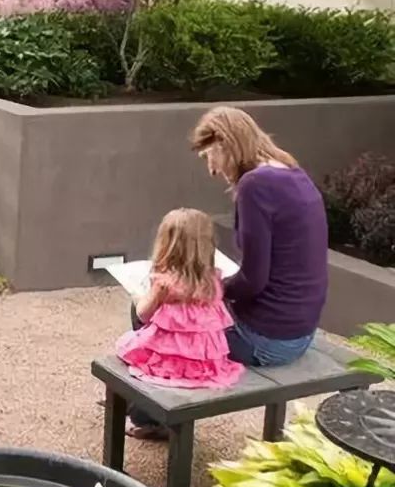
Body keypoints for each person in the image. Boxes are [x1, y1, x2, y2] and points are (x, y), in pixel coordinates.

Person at [127, 106, 329, 440]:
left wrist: (200, 287)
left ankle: (150, 416)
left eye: (210, 155)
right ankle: (148, 409)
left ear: (225, 143)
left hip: (267, 339)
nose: (211, 169)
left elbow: (254, 280)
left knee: (152, 309)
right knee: (179, 308)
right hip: (300, 331)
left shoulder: (255, 186)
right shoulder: (293, 173)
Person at [117, 208, 245, 390]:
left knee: (128, 341)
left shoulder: (164, 283)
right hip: (205, 363)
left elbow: (144, 315)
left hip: (171, 360)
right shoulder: (213, 280)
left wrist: (139, 297)